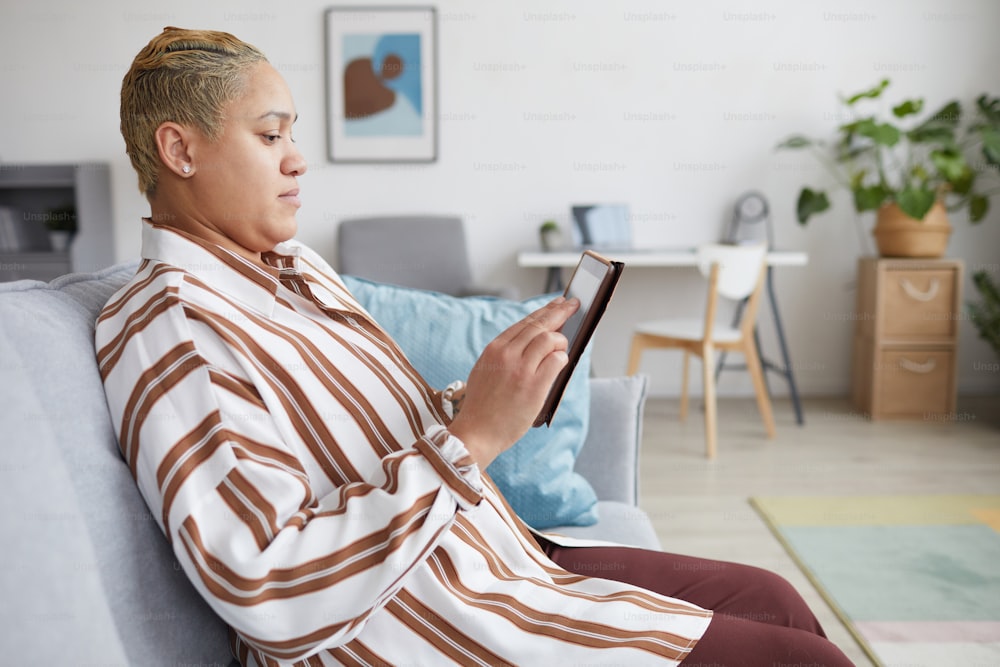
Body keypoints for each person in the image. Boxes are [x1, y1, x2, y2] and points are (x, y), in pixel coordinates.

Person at [98, 26, 854, 667]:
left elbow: (368, 439)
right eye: (270, 136)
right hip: (432, 621)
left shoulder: (295, 270)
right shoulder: (173, 329)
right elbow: (268, 586)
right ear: (180, 150)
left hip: (491, 555)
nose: (298, 159)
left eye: (294, 134)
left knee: (777, 598)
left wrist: (483, 395)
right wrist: (472, 437)